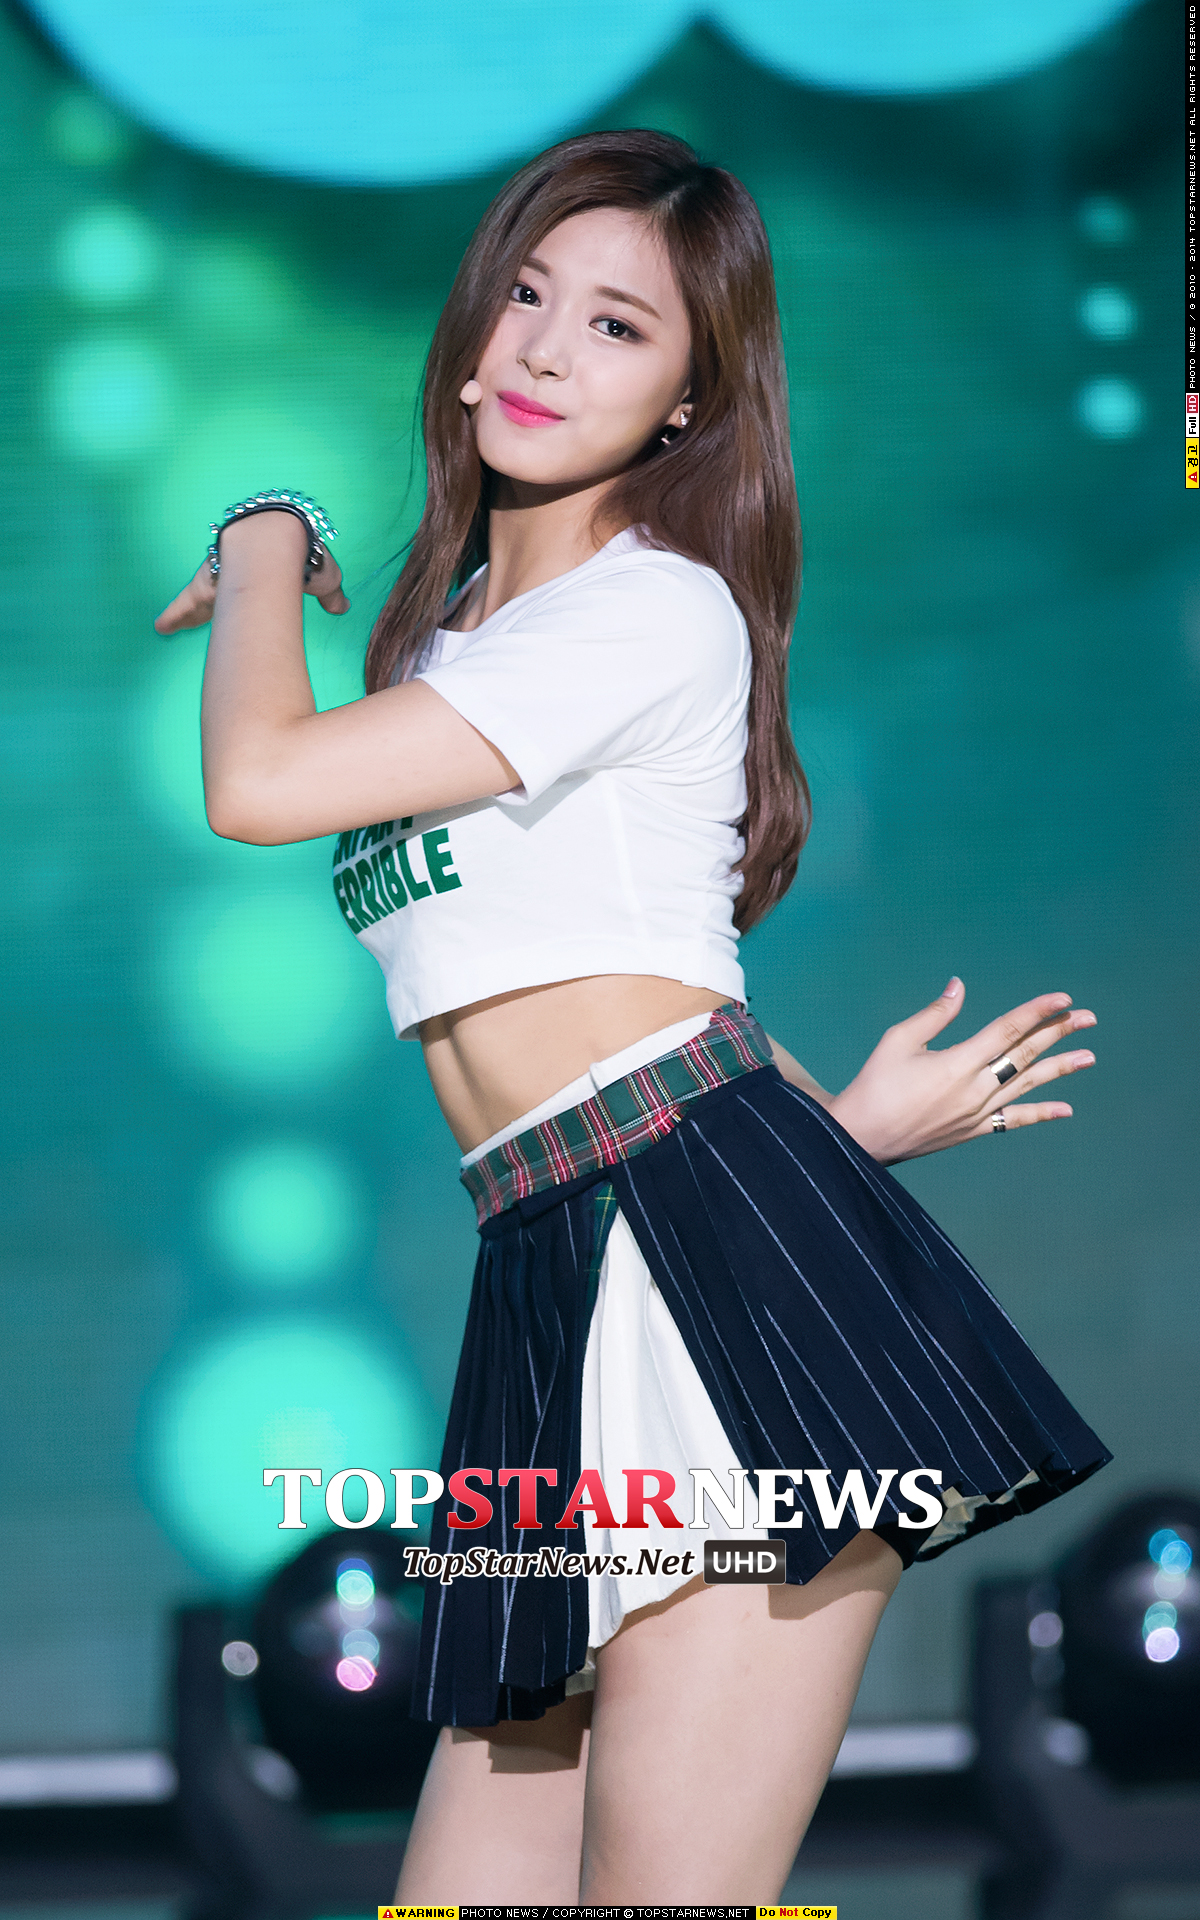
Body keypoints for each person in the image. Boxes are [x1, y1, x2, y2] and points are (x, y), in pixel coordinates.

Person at [155, 130, 1110, 1903]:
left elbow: (257, 780)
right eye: (527, 296)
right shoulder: (449, 650)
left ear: (688, 400)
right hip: (559, 1269)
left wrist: (267, 533)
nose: (544, 348)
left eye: (616, 325)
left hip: (696, 1274)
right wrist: (840, 1142)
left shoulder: (653, 612)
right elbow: (632, 965)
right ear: (468, 335)